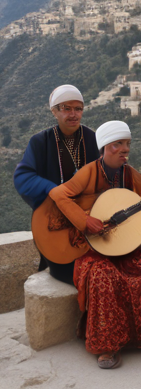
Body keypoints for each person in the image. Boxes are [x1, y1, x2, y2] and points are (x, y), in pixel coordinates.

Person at [49, 121, 141, 368]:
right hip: (94, 250)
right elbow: (59, 194)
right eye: (118, 145)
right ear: (105, 147)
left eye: (127, 144)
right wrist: (86, 220)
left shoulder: (133, 176)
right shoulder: (89, 172)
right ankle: (107, 346)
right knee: (104, 281)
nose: (124, 149)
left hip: (128, 247)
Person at [14, 84, 99, 283]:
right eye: (66, 108)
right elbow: (23, 177)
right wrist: (53, 190)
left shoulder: (91, 138)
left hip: (88, 222)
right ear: (54, 111)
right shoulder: (40, 142)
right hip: (56, 225)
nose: (73, 114)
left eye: (78, 109)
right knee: (79, 274)